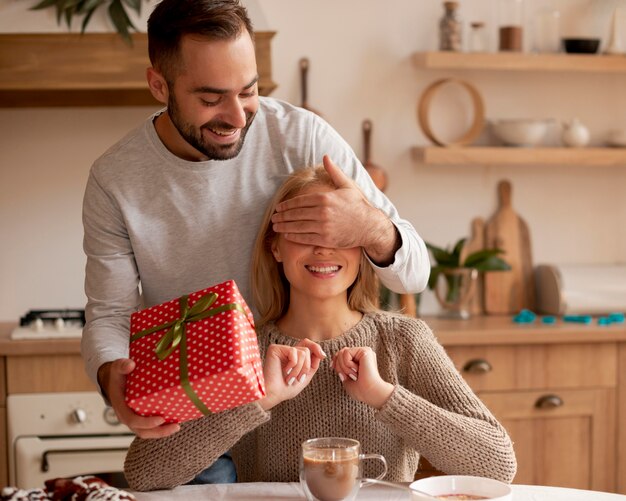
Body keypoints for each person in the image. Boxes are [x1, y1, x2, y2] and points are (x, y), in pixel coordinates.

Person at [81, 0, 430, 485]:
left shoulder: (303, 136)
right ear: (159, 85)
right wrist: (112, 376)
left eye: (249, 92)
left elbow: (413, 271)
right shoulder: (114, 179)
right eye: (210, 99)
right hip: (204, 421)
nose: (238, 116)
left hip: (304, 395)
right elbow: (110, 315)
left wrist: (368, 226)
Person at [123, 166, 517, 491]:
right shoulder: (244, 347)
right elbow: (143, 473)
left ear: (362, 248)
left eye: (340, 236)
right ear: (275, 248)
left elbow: (499, 463)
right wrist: (260, 398)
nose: (324, 250)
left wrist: (383, 396)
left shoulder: (403, 340)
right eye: (304, 234)